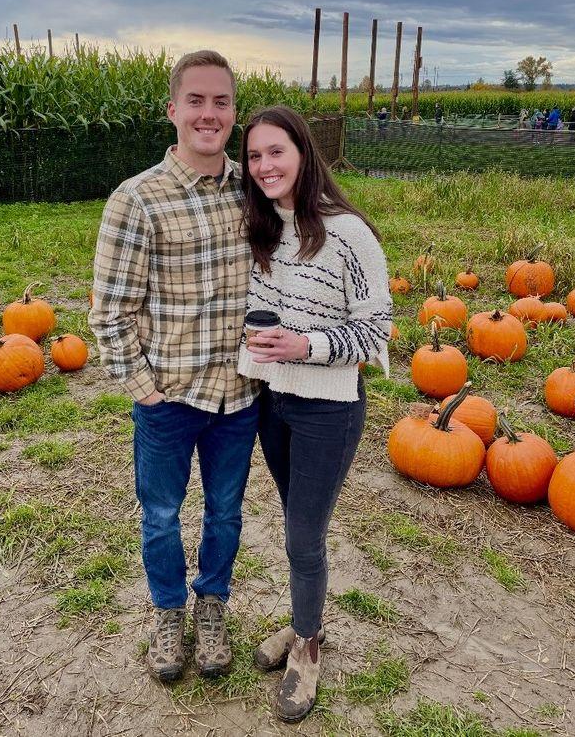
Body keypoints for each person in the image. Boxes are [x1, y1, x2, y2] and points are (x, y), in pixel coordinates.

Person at [89, 50, 260, 684]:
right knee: (160, 514)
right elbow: (110, 310)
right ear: (173, 110)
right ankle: (167, 612)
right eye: (196, 101)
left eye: (221, 102)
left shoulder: (255, 188)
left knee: (226, 510)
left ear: (234, 113)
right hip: (170, 397)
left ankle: (211, 604)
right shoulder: (136, 200)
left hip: (239, 396)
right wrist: (145, 389)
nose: (208, 114)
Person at [236, 106, 392, 722]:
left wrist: (307, 346)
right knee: (295, 523)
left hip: (329, 408)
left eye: (276, 151)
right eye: (254, 157)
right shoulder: (262, 228)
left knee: (304, 533)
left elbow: (376, 333)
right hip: (271, 401)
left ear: (303, 152)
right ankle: (305, 617)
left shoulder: (348, 234)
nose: (265, 166)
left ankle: (308, 647)